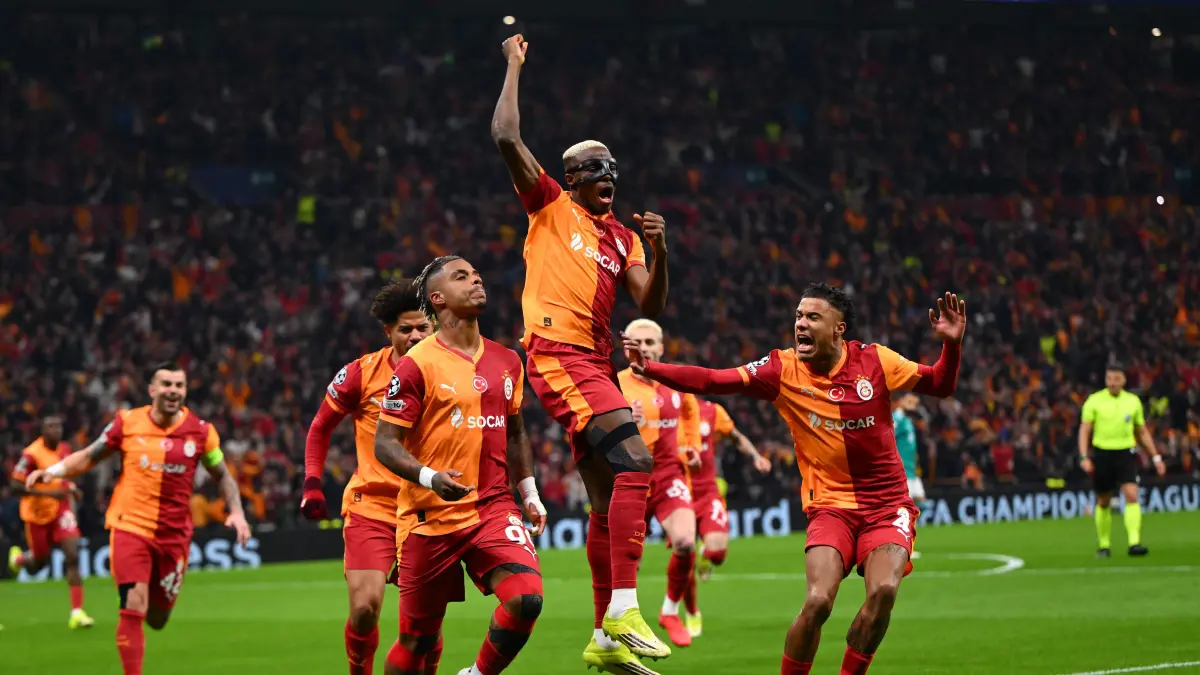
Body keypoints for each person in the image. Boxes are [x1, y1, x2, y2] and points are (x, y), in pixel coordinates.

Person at [624, 283, 966, 675]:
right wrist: (650, 369)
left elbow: (941, 384)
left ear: (839, 328)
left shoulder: (876, 362)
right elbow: (713, 380)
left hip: (887, 507)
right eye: (799, 316)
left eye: (813, 317)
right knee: (818, 601)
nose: (801, 324)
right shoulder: (782, 369)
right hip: (830, 507)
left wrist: (951, 346)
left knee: (884, 591)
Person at [491, 32, 673, 668]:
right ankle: (623, 606)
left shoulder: (625, 238)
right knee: (637, 463)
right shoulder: (548, 207)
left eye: (614, 170)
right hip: (555, 352)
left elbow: (649, 305)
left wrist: (663, 251)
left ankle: (602, 639)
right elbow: (506, 138)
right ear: (573, 179)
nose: (610, 179)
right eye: (598, 170)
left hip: (595, 362)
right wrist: (514, 67)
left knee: (605, 499)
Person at [372, 256, 549, 675]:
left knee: (526, 598)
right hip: (428, 516)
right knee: (418, 640)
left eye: (475, 274)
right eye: (461, 277)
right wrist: (430, 478)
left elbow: (516, 430)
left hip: (491, 506)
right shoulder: (418, 363)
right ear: (438, 299)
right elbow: (385, 443)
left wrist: (528, 493)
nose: (476, 280)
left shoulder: (508, 360)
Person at [24, 362, 252, 675]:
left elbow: (223, 475)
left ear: (184, 391)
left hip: (174, 536)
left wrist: (237, 512)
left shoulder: (201, 432)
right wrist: (50, 472)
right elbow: (89, 456)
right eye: (166, 384)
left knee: (157, 618)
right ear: (152, 390)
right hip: (130, 525)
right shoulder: (126, 423)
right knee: (133, 603)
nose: (173, 390)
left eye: (179, 385)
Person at [300, 278, 435, 675]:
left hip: (429, 509)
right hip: (372, 504)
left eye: (422, 327)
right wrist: (312, 482)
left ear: (434, 327)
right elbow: (320, 427)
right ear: (388, 331)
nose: (414, 336)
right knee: (364, 608)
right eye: (404, 329)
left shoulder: (453, 373)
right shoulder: (362, 373)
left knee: (425, 626)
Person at [619, 319, 701, 651]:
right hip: (628, 477)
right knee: (627, 562)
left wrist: (691, 446)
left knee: (685, 541)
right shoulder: (614, 385)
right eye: (637, 342)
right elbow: (589, 435)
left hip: (668, 474)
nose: (645, 348)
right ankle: (621, 624)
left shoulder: (675, 381)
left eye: (650, 342)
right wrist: (625, 423)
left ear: (661, 348)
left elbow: (691, 409)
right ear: (627, 349)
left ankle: (669, 611)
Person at [681, 396, 770, 637]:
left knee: (718, 553)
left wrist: (755, 457)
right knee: (684, 556)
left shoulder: (712, 411)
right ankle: (691, 611)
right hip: (678, 493)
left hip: (708, 491)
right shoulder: (665, 409)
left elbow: (736, 437)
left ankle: (707, 556)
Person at [8, 413, 95, 629]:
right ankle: (20, 560)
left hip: (61, 510)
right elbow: (15, 485)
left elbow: (62, 477)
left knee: (73, 556)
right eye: (51, 427)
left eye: (58, 426)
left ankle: (77, 612)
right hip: (37, 514)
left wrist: (71, 488)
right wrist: (47, 494)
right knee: (39, 562)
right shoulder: (31, 455)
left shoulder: (64, 449)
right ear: (43, 430)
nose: (56, 430)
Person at [1078, 364, 1166, 558]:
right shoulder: (1094, 401)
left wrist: (1156, 457)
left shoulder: (1133, 402)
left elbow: (1141, 432)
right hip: (1102, 454)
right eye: (1109, 379)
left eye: (1116, 379)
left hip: (1126, 453)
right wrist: (1084, 456)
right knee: (1103, 501)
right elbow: (1085, 429)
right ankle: (1104, 545)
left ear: (1124, 381)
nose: (1112, 383)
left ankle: (1134, 543)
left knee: (1132, 495)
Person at [892, 394, 926, 510]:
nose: (913, 405)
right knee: (907, 505)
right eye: (910, 401)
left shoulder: (907, 420)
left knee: (921, 502)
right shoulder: (897, 418)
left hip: (912, 468)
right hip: (902, 468)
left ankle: (913, 527)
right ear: (901, 401)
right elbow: (888, 437)